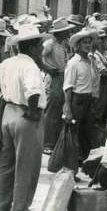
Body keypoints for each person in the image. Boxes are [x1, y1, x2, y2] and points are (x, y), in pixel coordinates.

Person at [0, 24, 47, 211]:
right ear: (31, 47)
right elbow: (33, 91)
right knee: (26, 164)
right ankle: (20, 208)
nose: (41, 49)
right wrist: (32, 112)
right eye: (39, 45)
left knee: (7, 162)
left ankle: (2, 203)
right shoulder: (30, 65)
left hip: (8, 113)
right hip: (26, 115)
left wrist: (7, 89)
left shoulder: (8, 62)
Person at [63, 27, 100, 161]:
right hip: (77, 101)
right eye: (84, 42)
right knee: (74, 134)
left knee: (87, 133)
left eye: (89, 42)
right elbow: (68, 86)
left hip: (89, 100)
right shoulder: (73, 63)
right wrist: (67, 108)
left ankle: (85, 162)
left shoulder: (91, 61)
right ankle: (71, 165)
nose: (88, 45)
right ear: (78, 46)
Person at [41, 17, 75, 154]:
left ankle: (54, 141)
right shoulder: (49, 44)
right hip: (54, 78)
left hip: (63, 76)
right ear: (58, 33)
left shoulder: (64, 44)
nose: (68, 34)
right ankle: (47, 143)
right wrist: (48, 68)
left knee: (60, 109)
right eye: (65, 32)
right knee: (51, 111)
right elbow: (39, 57)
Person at [90, 29, 107, 132]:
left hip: (106, 86)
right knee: (98, 109)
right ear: (100, 42)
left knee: (105, 109)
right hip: (100, 86)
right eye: (106, 41)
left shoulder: (105, 55)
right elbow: (102, 72)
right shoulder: (95, 55)